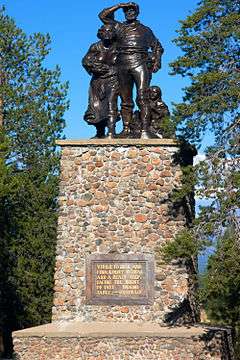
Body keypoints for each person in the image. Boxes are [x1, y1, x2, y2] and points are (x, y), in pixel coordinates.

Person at [99, 2, 164, 138]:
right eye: (127, 11)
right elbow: (103, 15)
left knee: (142, 97)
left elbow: (158, 47)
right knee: (125, 99)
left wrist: (157, 61)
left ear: (137, 13)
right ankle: (126, 129)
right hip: (122, 63)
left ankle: (145, 130)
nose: (130, 13)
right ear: (124, 13)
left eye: (132, 10)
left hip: (140, 62)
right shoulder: (118, 27)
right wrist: (119, 5)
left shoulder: (145, 30)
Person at [82, 25, 119, 138]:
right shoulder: (95, 47)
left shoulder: (119, 47)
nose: (107, 33)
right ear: (100, 33)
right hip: (97, 80)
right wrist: (95, 67)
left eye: (110, 31)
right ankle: (100, 132)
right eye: (105, 31)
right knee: (96, 105)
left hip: (113, 79)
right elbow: (85, 61)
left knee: (110, 103)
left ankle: (111, 132)